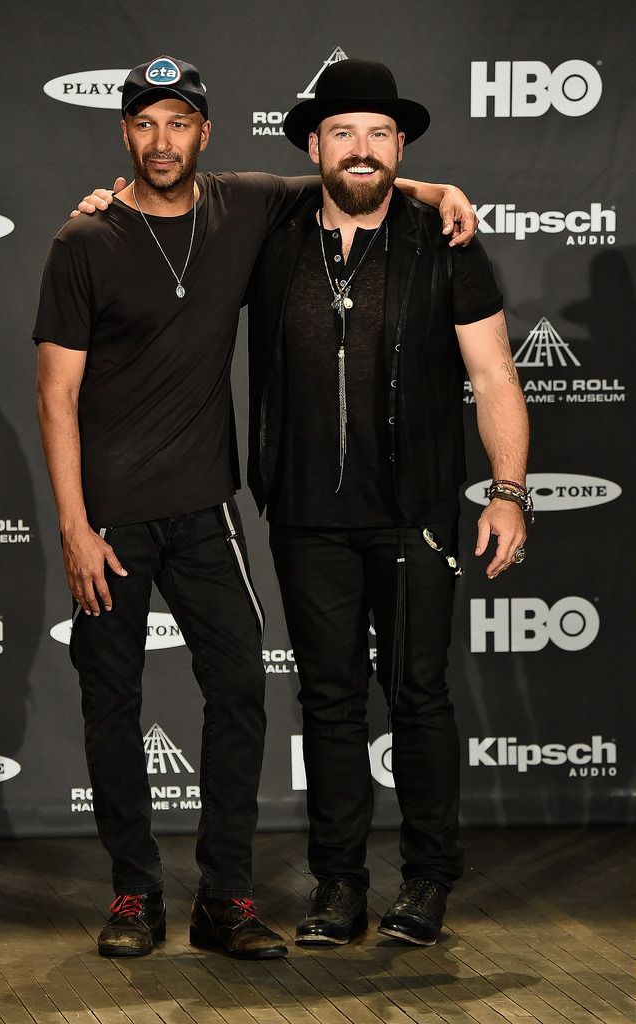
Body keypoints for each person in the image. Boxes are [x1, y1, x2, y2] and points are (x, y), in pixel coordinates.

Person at [35, 54, 478, 960]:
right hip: (110, 520)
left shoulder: (242, 203)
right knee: (111, 701)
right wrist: (76, 527)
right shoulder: (83, 242)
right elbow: (53, 395)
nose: (163, 140)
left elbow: (355, 172)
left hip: (206, 510)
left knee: (239, 697)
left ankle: (224, 899)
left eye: (179, 122)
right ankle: (133, 894)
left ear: (205, 131)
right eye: (145, 123)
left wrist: (441, 191)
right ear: (124, 133)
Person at [245, 58, 530, 948]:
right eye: (341, 132)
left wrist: (509, 492)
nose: (361, 150)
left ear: (400, 146)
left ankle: (427, 882)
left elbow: (492, 375)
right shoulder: (267, 228)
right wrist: (106, 199)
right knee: (328, 704)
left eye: (378, 134)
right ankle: (338, 887)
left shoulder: (442, 240)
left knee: (418, 698)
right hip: (304, 513)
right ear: (311, 146)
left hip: (414, 514)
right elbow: (167, 191)